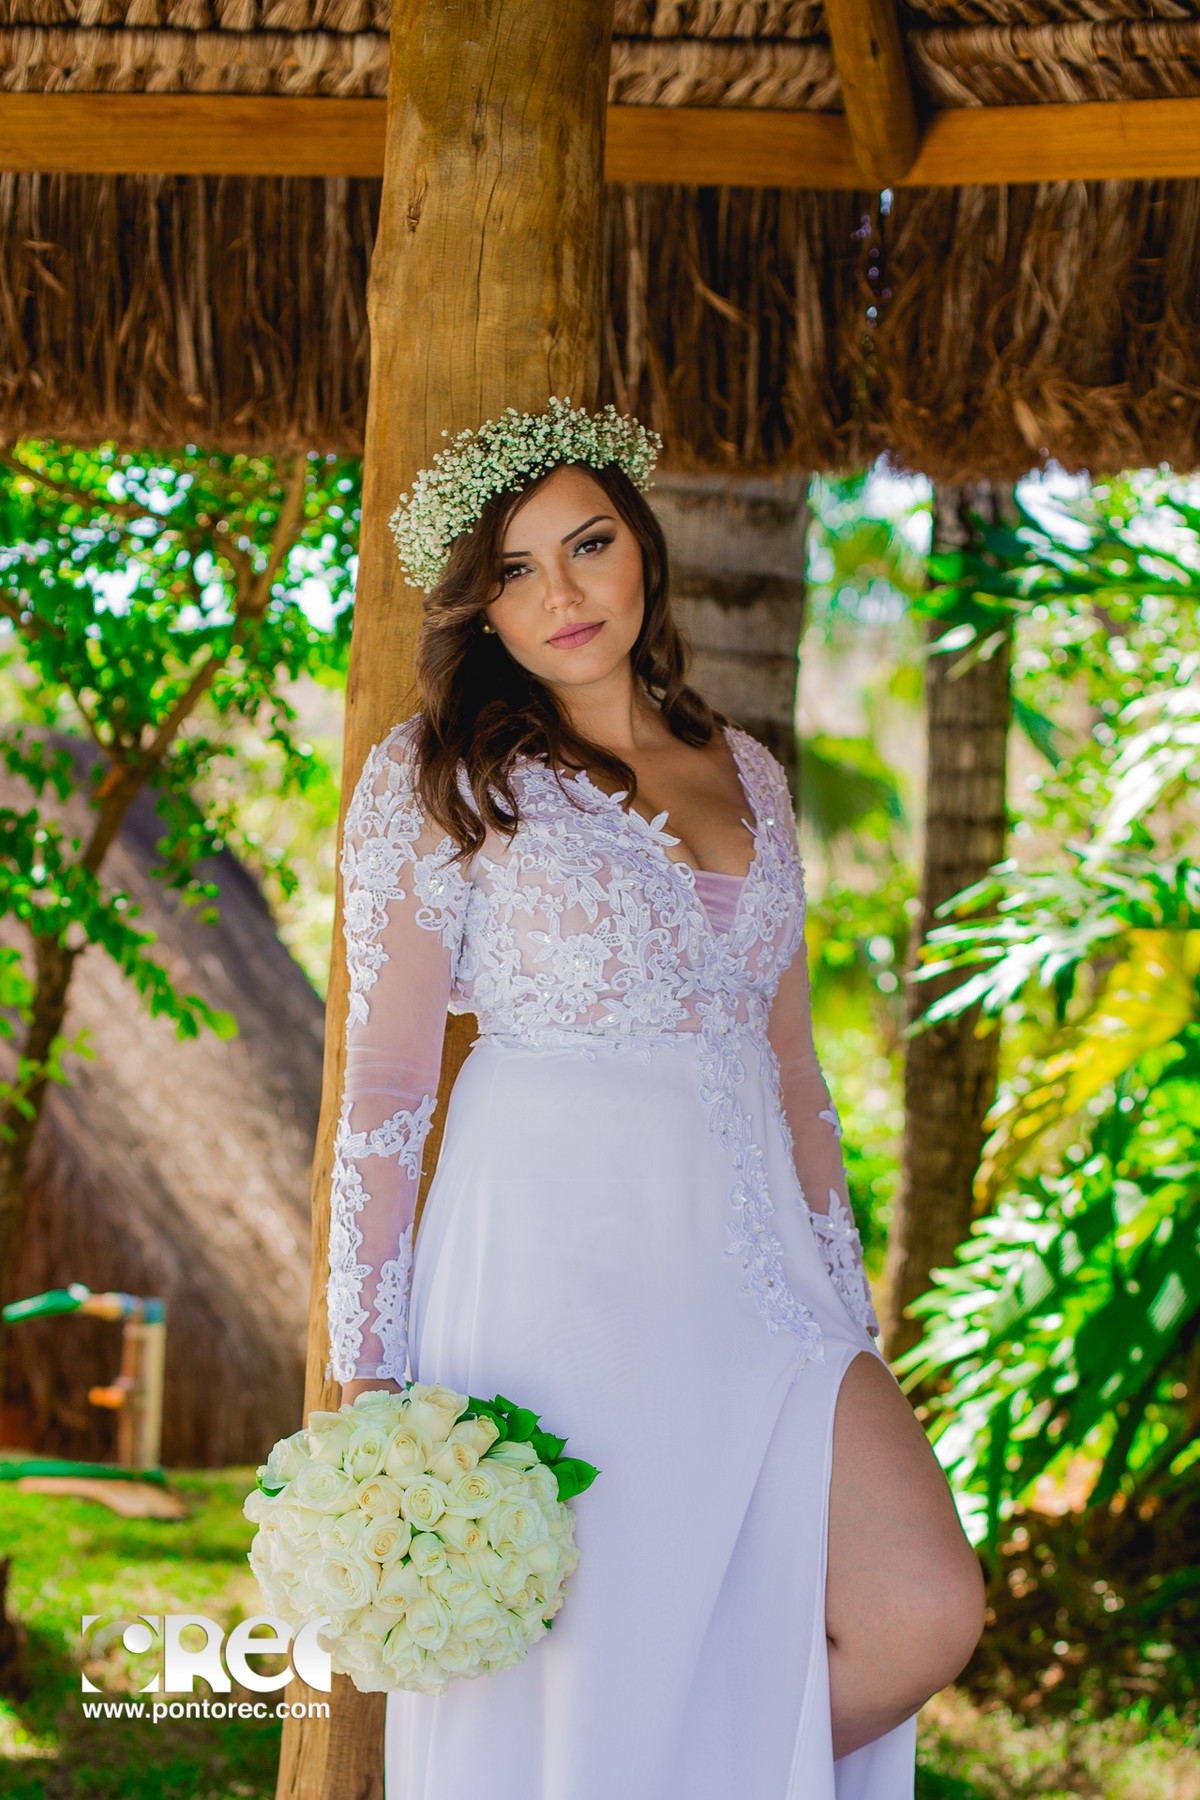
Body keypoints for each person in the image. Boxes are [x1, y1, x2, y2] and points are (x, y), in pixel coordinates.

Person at [327, 401, 984, 1800]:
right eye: (512, 570)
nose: (560, 593)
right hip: (551, 1292)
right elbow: (385, 1090)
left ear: (644, 553)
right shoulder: (439, 779)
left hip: (769, 1296)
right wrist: (368, 1383)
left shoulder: (749, 773)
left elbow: (795, 1073)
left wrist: (844, 1315)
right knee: (594, 1675)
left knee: (926, 1610)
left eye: (589, 543)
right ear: (476, 605)